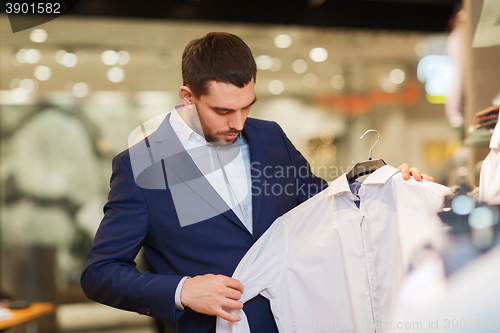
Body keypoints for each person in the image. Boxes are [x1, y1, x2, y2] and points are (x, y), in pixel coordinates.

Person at [81, 32, 432, 333]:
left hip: (302, 320)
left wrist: (387, 186)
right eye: (222, 111)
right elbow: (100, 273)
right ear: (188, 96)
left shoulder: (269, 136)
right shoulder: (142, 166)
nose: (238, 122)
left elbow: (325, 207)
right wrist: (183, 290)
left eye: (247, 106)